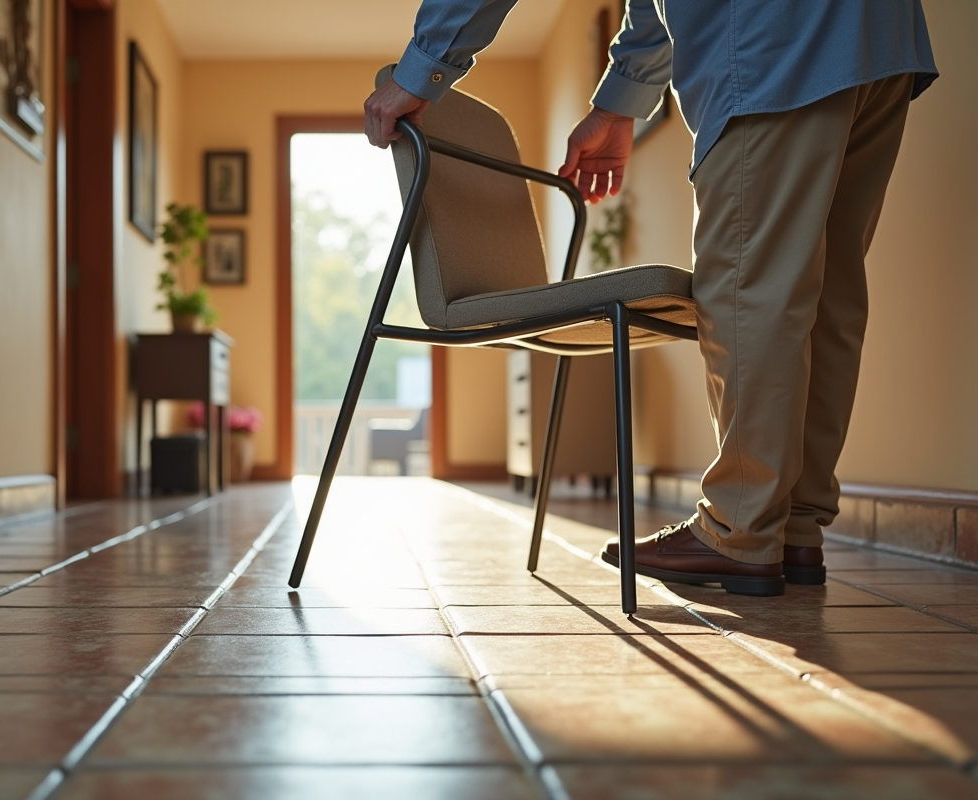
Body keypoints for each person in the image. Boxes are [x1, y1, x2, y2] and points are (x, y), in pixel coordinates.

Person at [364, 0, 938, 596]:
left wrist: (422, 69)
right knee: (826, 293)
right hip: (880, 39)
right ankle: (792, 526)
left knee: (750, 289)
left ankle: (739, 530)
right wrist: (619, 105)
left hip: (774, 38)